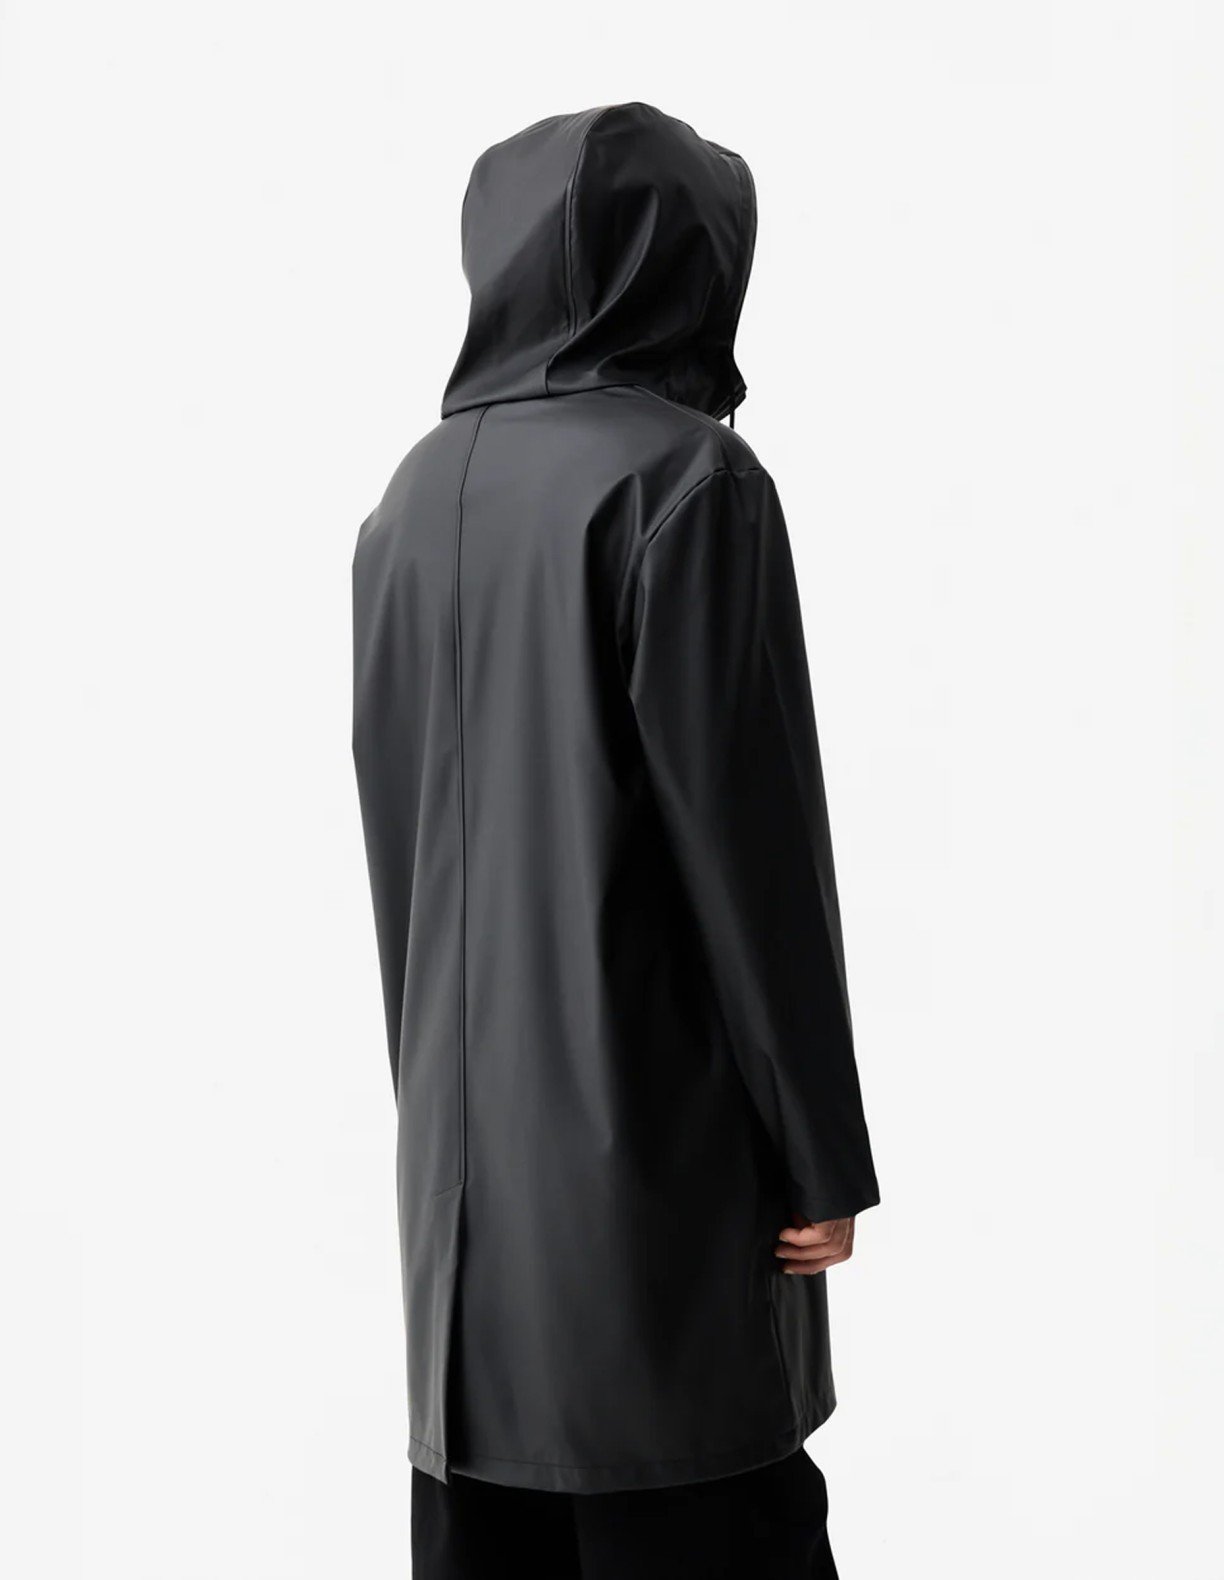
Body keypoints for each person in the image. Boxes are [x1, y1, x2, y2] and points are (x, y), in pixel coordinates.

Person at [351, 101, 881, 1578]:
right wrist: (819, 1152)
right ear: (694, 263)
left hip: (461, 1227)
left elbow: (401, 874)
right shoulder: (686, 480)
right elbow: (756, 859)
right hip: (659, 1197)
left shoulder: (404, 506)